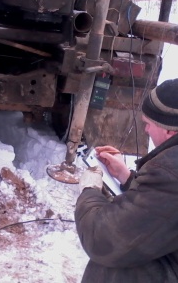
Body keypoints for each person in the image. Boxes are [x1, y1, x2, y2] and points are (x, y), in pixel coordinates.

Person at [75, 78, 178, 282]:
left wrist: (89, 190)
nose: (146, 130)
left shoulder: (170, 171)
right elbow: (168, 206)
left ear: (169, 130)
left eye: (148, 124)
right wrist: (126, 177)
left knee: (117, 262)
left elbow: (103, 239)